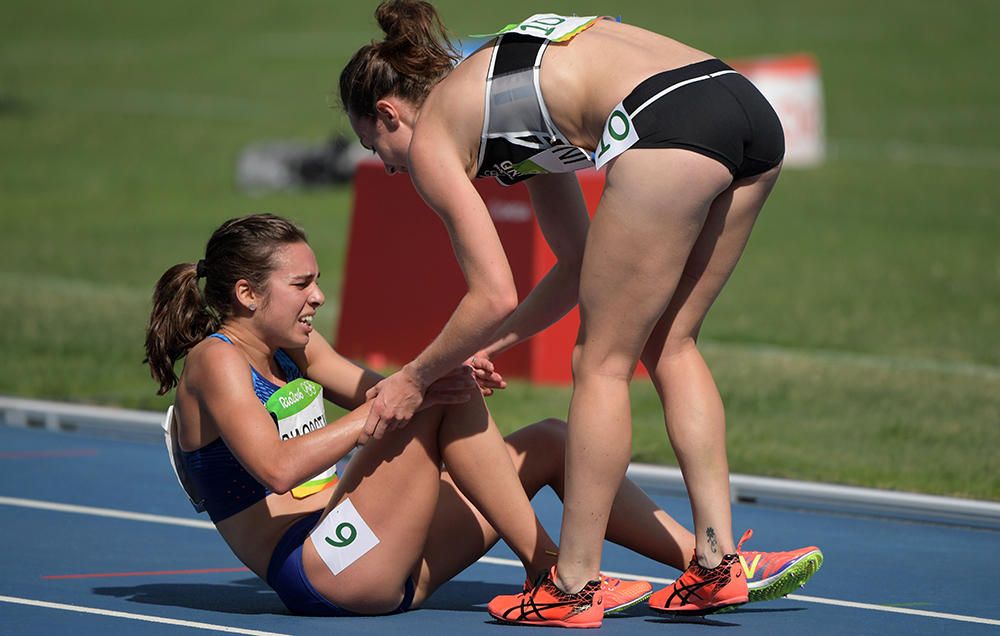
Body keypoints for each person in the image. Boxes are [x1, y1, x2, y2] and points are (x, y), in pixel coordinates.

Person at [340, 1, 796, 626]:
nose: (389, 167)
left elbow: (490, 293)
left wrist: (412, 378)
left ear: (389, 113)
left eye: (377, 145)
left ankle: (574, 584)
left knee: (600, 363)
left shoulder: (435, 139)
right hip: (744, 105)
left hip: (668, 120)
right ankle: (716, 564)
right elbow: (579, 263)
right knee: (670, 343)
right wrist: (489, 347)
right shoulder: (503, 97)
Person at [143, 213, 820, 621]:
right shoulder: (217, 363)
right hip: (319, 569)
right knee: (432, 392)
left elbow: (385, 391)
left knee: (552, 442)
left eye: (317, 279)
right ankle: (558, 578)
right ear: (245, 293)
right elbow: (279, 465)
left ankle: (713, 564)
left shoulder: (297, 344)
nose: (320, 295)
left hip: (377, 549)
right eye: (302, 284)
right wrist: (416, 391)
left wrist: (435, 379)